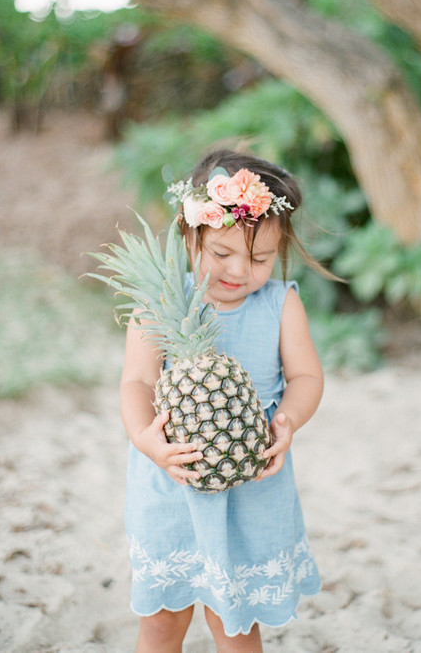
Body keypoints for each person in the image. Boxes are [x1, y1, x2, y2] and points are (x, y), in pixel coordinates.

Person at [120, 148, 325, 652]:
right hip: (174, 482)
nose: (240, 270)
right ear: (192, 238)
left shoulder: (281, 303)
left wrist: (288, 419)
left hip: (252, 485)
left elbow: (306, 376)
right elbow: (137, 383)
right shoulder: (162, 304)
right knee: (163, 621)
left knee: (235, 622)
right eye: (222, 253)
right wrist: (147, 440)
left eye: (260, 258)